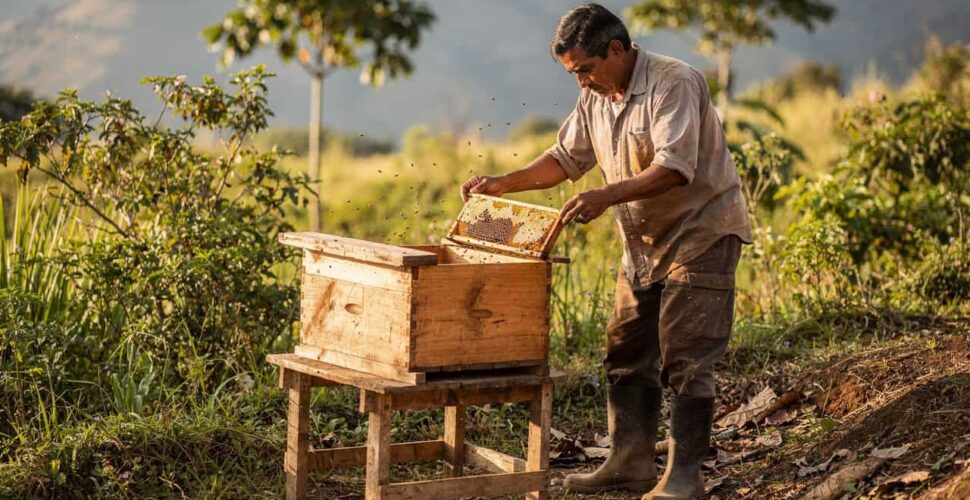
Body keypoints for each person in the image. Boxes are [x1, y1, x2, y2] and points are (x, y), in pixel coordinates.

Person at [460, 3, 752, 499]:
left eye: (587, 70)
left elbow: (674, 167)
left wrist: (603, 195)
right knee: (625, 353)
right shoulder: (596, 96)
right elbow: (565, 157)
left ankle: (684, 478)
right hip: (641, 245)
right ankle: (630, 461)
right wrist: (502, 184)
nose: (583, 83)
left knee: (687, 359)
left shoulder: (673, 83)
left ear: (617, 50)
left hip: (700, 236)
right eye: (574, 75)